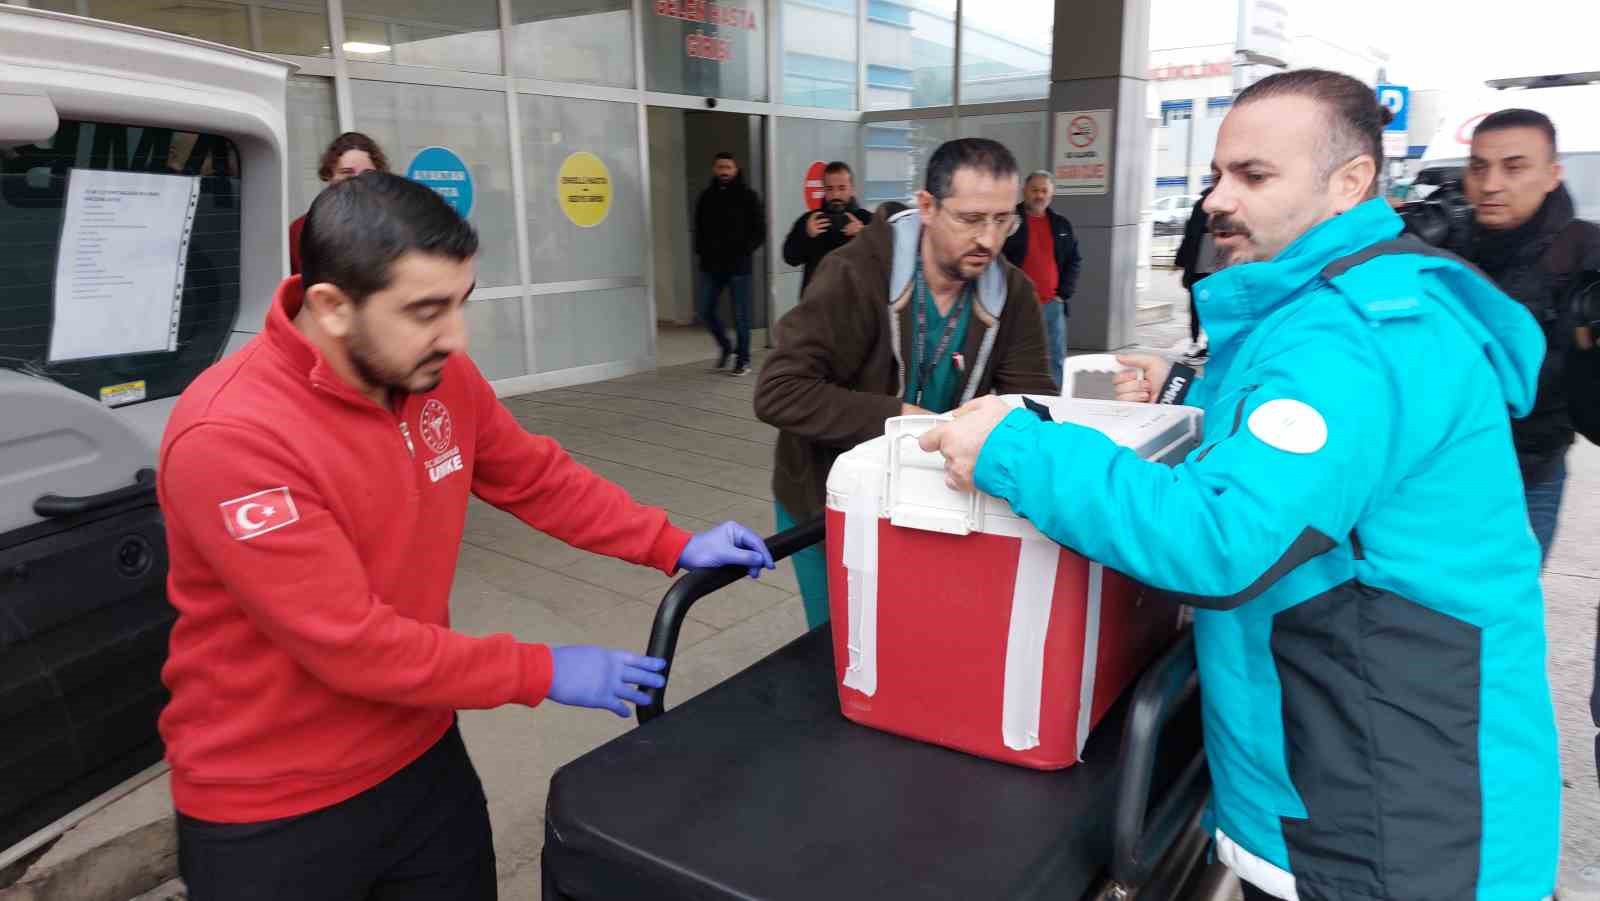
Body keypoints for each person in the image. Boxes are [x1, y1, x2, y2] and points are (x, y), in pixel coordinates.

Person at [918, 69, 1559, 901]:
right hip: (1361, 773)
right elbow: (1307, 449)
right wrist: (1190, 387)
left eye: (1254, 177)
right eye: (1219, 173)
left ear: (1349, 183)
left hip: (1387, 823)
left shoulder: (1359, 338)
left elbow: (1219, 538)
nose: (1218, 199)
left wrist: (1015, 449)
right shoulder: (1333, 306)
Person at [157, 172, 774, 901]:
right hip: (273, 805)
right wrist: (544, 670)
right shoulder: (232, 435)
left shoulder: (435, 375)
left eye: (461, 302)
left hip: (419, 758)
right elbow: (352, 645)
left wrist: (670, 542)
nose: (456, 334)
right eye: (426, 310)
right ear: (330, 307)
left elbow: (536, 477)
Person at [754, 138, 1057, 629]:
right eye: (971, 219)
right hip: (826, 498)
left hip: (935, 502)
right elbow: (779, 391)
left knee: (918, 639)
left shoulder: (1014, 293)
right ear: (927, 207)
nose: (989, 240)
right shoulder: (853, 273)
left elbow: (1034, 405)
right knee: (844, 646)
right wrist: (903, 419)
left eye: (1003, 220)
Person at [1461, 108, 1600, 561]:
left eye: (1514, 167)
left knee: (1506, 607)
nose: (1491, 184)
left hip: (1530, 474)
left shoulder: (1586, 252)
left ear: (1552, 174)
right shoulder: (1441, 244)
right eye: (1479, 167)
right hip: (1440, 471)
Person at [1002, 170, 1080, 386]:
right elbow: (995, 258)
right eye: (1035, 190)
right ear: (1025, 191)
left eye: (1044, 190)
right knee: (1015, 358)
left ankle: (1055, 401)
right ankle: (1016, 397)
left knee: (1055, 358)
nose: (1039, 195)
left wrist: (1063, 294)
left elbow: (1074, 259)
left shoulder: (1061, 224)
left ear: (1051, 193)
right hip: (1017, 304)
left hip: (1051, 305)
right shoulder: (1008, 221)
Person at [694, 151, 766, 376]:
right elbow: (699, 229)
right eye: (720, 167)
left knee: (741, 315)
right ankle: (726, 347)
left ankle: (742, 359)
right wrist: (701, 252)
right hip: (711, 266)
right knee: (705, 310)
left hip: (738, 267)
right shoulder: (706, 196)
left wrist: (744, 249)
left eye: (728, 167)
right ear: (714, 170)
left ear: (736, 169)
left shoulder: (748, 196)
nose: (724, 171)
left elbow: (760, 230)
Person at [288, 131, 388, 274]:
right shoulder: (302, 230)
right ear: (329, 175)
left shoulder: (393, 224)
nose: (358, 180)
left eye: (367, 173)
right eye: (347, 172)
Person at [782, 161, 873, 297]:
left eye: (842, 188)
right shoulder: (810, 219)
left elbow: (887, 258)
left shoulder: (867, 220)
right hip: (815, 306)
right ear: (824, 190)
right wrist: (805, 234)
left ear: (852, 189)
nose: (836, 195)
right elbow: (790, 258)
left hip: (855, 308)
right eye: (830, 189)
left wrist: (864, 234)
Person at [1172, 184, 1217, 361]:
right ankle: (1197, 342)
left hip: (1215, 266)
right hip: (1201, 265)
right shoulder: (1201, 206)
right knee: (1198, 306)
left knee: (1209, 307)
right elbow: (1190, 235)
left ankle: (1206, 344)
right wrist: (1180, 261)